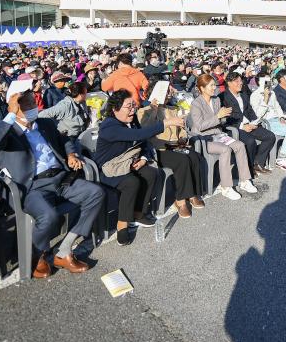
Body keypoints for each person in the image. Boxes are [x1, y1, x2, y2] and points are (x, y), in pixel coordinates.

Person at [0, 87, 104, 278]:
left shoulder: (44, 123)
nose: (34, 106)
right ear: (15, 107)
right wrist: (10, 114)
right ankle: (37, 254)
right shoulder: (5, 129)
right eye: (27, 104)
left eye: (34, 102)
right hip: (32, 186)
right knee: (49, 216)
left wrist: (71, 154)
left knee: (95, 193)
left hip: (60, 178)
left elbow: (64, 139)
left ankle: (64, 250)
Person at [95, 90, 176, 244]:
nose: (133, 109)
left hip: (129, 163)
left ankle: (138, 213)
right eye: (128, 106)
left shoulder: (132, 120)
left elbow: (143, 141)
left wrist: (144, 158)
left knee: (151, 173)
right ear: (115, 109)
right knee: (132, 182)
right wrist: (165, 123)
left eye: (133, 105)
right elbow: (137, 135)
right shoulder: (109, 125)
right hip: (109, 169)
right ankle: (122, 223)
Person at [138, 83, 205, 219]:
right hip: (159, 148)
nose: (169, 93)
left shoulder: (172, 109)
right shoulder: (144, 111)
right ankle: (180, 201)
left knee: (195, 156)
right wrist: (154, 109)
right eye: (166, 91)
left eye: (169, 91)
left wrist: (183, 139)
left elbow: (181, 130)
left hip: (175, 146)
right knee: (182, 161)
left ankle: (193, 194)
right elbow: (146, 129)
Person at [188, 74, 256, 201]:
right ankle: (226, 187)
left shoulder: (216, 100)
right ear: (202, 88)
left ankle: (245, 180)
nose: (214, 88)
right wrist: (218, 116)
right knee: (225, 149)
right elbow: (200, 126)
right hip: (203, 138)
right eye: (211, 86)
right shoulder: (196, 104)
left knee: (240, 145)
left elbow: (221, 122)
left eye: (214, 85)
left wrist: (224, 116)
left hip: (217, 134)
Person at [221, 72, 276, 175]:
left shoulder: (243, 95)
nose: (240, 83)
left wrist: (255, 121)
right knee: (250, 142)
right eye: (237, 81)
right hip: (234, 127)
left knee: (270, 136)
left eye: (241, 81)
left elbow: (249, 111)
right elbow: (225, 119)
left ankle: (258, 163)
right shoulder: (223, 97)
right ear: (229, 83)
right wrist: (242, 126)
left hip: (249, 124)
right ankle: (248, 168)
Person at [250, 73, 286, 170]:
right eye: (266, 81)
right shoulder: (255, 95)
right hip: (266, 122)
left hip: (277, 119)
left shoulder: (272, 93)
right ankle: (281, 158)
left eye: (269, 80)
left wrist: (281, 116)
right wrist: (265, 99)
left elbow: (277, 107)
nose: (269, 83)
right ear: (259, 82)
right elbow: (257, 115)